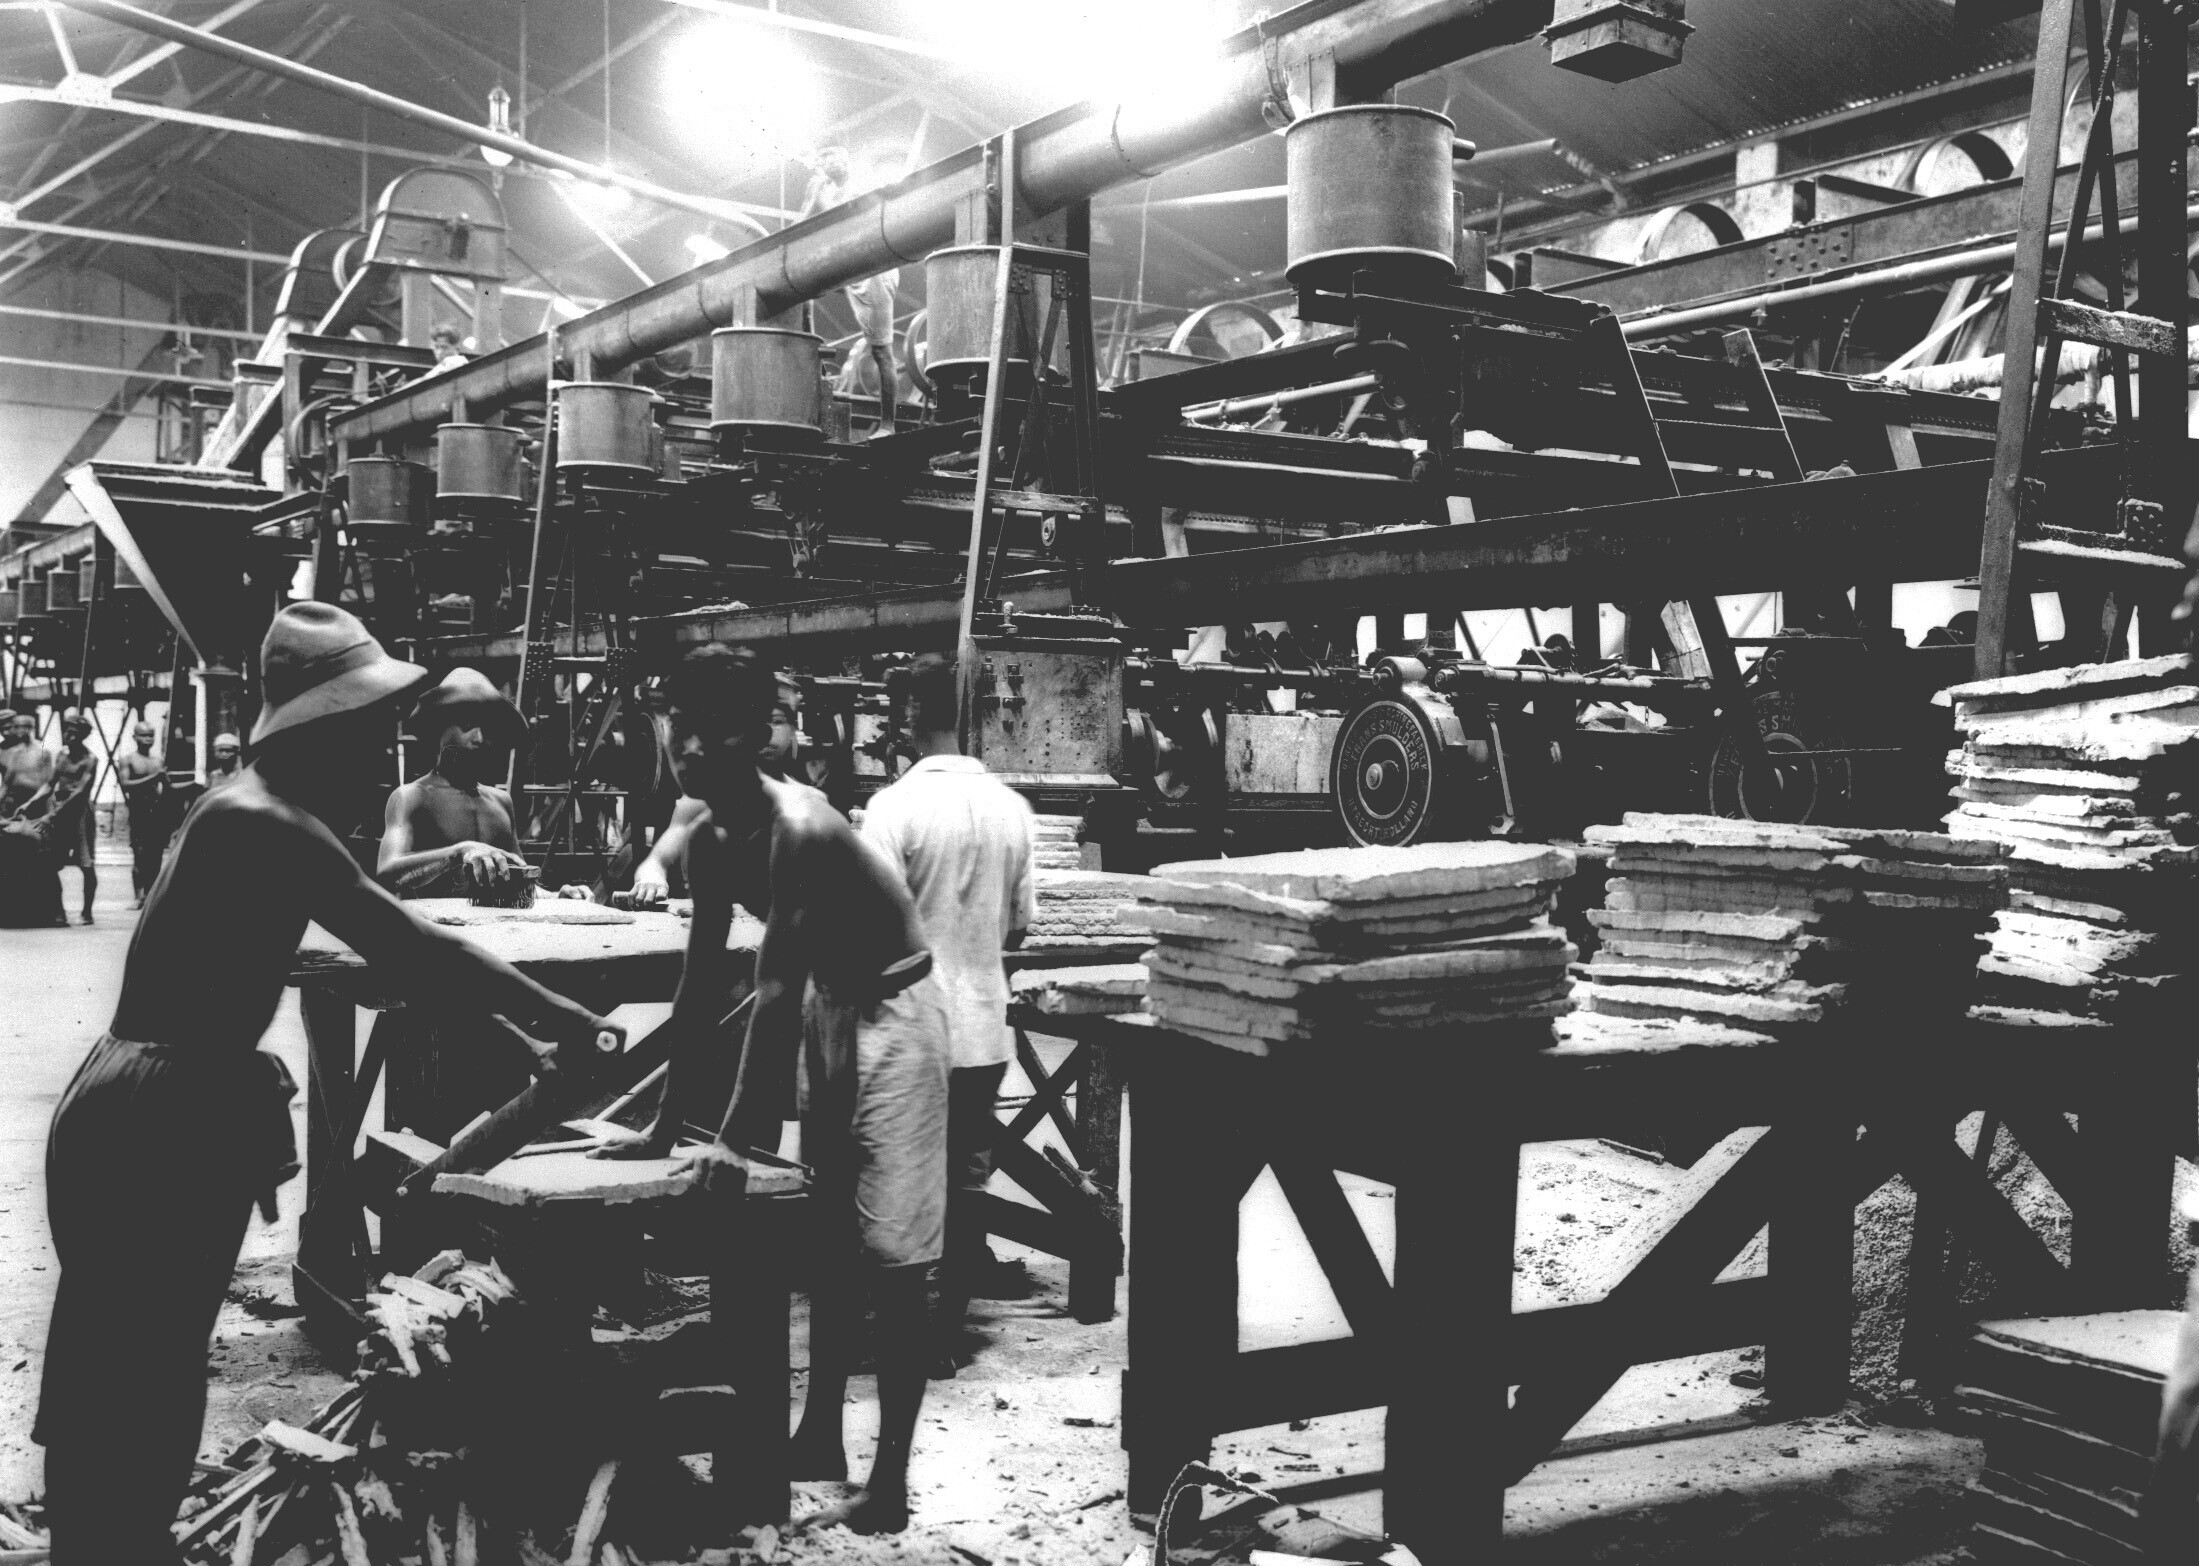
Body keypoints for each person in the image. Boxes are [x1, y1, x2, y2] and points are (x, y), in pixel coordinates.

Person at [35, 602, 625, 1565]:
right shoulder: (270, 821)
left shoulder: (243, 804)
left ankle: (115, 1541)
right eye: (369, 730)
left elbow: (409, 964)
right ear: (322, 726)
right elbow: (415, 948)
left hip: (155, 1090)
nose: (380, 751)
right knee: (138, 1359)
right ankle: (107, 1545)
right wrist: (567, 1019)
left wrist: (525, 1035)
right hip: (161, 1107)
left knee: (134, 1351)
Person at [597, 645, 944, 1534]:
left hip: (896, 1013)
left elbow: (774, 990)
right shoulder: (707, 838)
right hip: (833, 1003)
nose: (689, 749)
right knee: (823, 1238)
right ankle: (819, 1435)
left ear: (755, 735)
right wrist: (667, 1124)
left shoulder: (801, 826)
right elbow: (699, 986)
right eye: (680, 729)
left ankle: (890, 1481)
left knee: (893, 1257)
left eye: (713, 733)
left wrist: (732, 1138)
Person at [859, 654, 1035, 1371]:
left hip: (913, 1030)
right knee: (966, 1185)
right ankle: (946, 1336)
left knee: (897, 1183)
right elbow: (1019, 927)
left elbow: (871, 925)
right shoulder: (1011, 809)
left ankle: (897, 1333)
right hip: (984, 1027)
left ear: (907, 715)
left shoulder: (891, 809)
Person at [629, 672, 801, 908]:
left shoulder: (805, 808)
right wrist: (652, 879)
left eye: (777, 721)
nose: (768, 730)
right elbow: (656, 861)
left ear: (793, 729)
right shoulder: (704, 809)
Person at [377, 669, 529, 897]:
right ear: (439, 727)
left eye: (487, 729)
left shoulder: (501, 801)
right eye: (467, 725)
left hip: (494, 920)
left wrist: (556, 897)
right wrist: (459, 853)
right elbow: (388, 873)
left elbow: (519, 879)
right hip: (430, 919)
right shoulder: (412, 796)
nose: (479, 738)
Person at [804, 146, 901, 434]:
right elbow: (802, 225)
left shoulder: (864, 182)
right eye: (822, 159)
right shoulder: (823, 190)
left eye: (833, 156)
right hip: (845, 265)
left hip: (873, 270)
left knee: (881, 351)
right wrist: (812, 198)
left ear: (846, 159)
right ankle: (817, 391)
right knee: (802, 296)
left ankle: (888, 424)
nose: (829, 163)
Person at [47, 712, 98, 925]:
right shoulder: (61, 755)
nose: (70, 736)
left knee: (86, 864)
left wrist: (54, 813)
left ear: (83, 735)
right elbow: (50, 783)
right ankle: (59, 911)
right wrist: (32, 802)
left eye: (75, 733)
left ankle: (87, 911)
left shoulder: (90, 759)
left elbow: (79, 792)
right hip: (60, 809)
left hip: (79, 813)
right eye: (67, 732)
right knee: (51, 863)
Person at [115, 720, 167, 908]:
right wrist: (154, 777)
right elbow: (125, 784)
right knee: (139, 854)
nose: (148, 739)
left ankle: (151, 895)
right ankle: (139, 896)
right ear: (135, 737)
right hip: (138, 812)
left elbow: (167, 787)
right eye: (144, 735)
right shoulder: (127, 760)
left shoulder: (159, 761)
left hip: (157, 813)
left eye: (151, 735)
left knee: (156, 855)